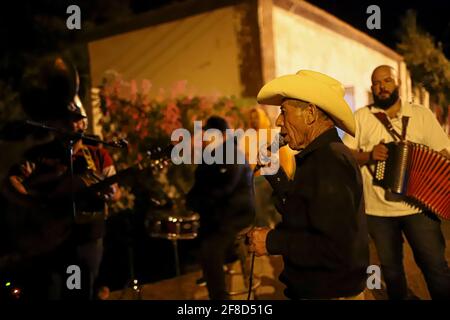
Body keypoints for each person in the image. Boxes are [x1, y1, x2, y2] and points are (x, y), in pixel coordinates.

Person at [1, 56, 120, 300]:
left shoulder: (98, 155)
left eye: (77, 119)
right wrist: (34, 202)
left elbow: (114, 190)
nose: (74, 125)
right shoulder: (40, 156)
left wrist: (101, 189)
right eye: (67, 120)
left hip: (87, 240)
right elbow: (10, 182)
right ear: (54, 123)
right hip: (50, 244)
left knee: (82, 294)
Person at [247, 70, 369, 300]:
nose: (278, 121)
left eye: (284, 112)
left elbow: (334, 248)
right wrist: (274, 172)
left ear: (310, 113)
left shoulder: (330, 161)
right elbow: (304, 211)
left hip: (330, 292)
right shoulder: (320, 156)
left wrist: (271, 241)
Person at [343, 65, 450, 300]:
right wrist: (369, 155)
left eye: (387, 80)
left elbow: (444, 148)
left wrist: (440, 158)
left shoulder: (421, 115)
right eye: (377, 83)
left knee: (435, 267)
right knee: (392, 272)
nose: (382, 86)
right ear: (372, 88)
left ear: (397, 83)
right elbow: (345, 153)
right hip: (378, 211)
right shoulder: (361, 117)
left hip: (420, 206)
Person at [186, 116, 255, 300]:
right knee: (201, 242)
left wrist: (199, 203)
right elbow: (201, 184)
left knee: (210, 249)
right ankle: (211, 275)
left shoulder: (231, 154)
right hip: (219, 214)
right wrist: (190, 201)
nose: (206, 138)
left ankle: (219, 297)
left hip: (235, 215)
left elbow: (223, 189)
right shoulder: (213, 154)